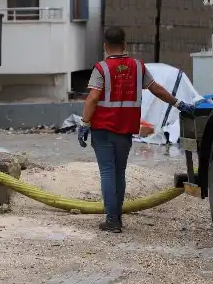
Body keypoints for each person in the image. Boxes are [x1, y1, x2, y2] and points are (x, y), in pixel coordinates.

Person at [77, 26, 197, 233]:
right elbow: (156, 89)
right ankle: (117, 218)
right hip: (125, 129)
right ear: (125, 45)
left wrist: (84, 123)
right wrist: (178, 103)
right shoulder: (137, 67)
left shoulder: (101, 68)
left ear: (105, 46)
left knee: (107, 172)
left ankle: (112, 220)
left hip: (102, 129)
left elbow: (93, 98)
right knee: (119, 173)